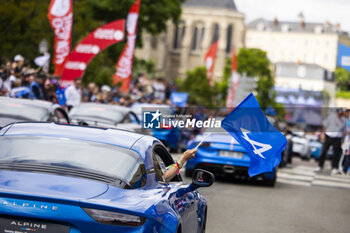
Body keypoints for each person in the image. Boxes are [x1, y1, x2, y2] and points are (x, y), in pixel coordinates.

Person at [315, 108, 346, 175]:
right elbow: (324, 125)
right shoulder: (331, 117)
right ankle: (320, 166)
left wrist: (343, 140)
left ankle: (334, 167)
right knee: (323, 151)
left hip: (337, 138)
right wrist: (323, 134)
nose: (339, 114)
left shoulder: (343, 120)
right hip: (328, 136)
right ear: (337, 112)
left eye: (341, 113)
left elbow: (344, 131)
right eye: (338, 112)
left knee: (336, 154)